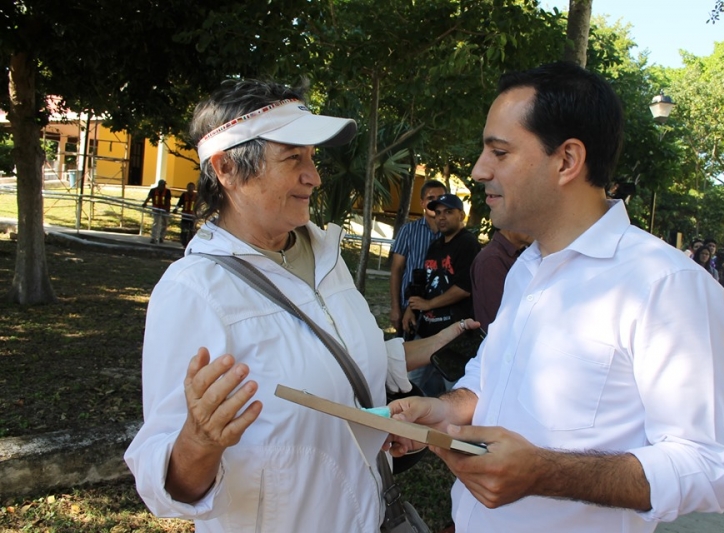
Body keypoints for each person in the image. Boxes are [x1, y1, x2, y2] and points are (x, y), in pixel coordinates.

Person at [387, 62, 724, 533]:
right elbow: (492, 380)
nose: (479, 170)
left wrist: (543, 473)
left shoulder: (666, 285)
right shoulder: (526, 269)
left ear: (568, 161)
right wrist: (443, 410)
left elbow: (710, 468)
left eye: (499, 151)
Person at [124, 78, 474, 533]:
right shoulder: (194, 290)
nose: (314, 176)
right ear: (227, 168)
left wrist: (428, 347)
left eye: (312, 159)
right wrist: (199, 442)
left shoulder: (327, 257)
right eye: (293, 159)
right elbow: (163, 483)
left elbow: (340, 355)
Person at [403, 193, 481, 396]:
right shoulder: (436, 245)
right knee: (410, 386)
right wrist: (411, 310)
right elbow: (426, 282)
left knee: (454, 390)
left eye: (448, 212)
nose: (441, 217)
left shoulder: (468, 244)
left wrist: (429, 305)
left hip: (453, 334)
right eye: (437, 213)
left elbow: (464, 288)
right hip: (426, 331)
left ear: (461, 215)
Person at [389, 179, 447, 339]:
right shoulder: (408, 231)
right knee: (405, 356)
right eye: (431, 199)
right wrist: (395, 308)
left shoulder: (451, 234)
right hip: (408, 307)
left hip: (440, 309)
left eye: (441, 198)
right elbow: (396, 270)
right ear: (422, 203)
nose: (436, 203)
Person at [470, 228, 532, 330]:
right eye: (531, 219)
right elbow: (501, 316)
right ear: (510, 221)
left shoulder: (524, 252)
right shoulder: (491, 259)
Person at [142, 179, 172, 244]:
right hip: (156, 208)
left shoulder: (167, 191)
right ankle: (154, 238)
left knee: (165, 223)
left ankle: (161, 237)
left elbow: (168, 200)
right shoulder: (153, 190)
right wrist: (145, 203)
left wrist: (168, 208)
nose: (163, 186)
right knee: (156, 223)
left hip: (164, 209)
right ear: (159, 185)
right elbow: (149, 197)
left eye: (164, 185)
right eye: (162, 185)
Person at [173, 182, 198, 248]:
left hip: (192, 216)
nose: (190, 189)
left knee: (192, 230)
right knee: (184, 229)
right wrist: (176, 209)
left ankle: (191, 244)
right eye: (189, 187)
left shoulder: (196, 196)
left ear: (194, 188)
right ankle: (184, 243)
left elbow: (199, 206)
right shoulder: (184, 195)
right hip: (185, 215)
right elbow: (179, 203)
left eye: (191, 187)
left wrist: (198, 214)